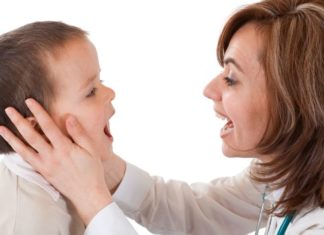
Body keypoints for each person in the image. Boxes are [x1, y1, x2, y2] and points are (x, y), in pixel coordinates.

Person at [1, 0, 324, 234]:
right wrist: (100, 167)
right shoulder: (286, 176)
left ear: (295, 100)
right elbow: (201, 212)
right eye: (90, 90)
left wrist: (92, 199)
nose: (208, 89)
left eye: (231, 78)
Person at [0, 21, 131, 234]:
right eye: (91, 91)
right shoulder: (28, 225)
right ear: (38, 129)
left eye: (101, 80)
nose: (110, 93)